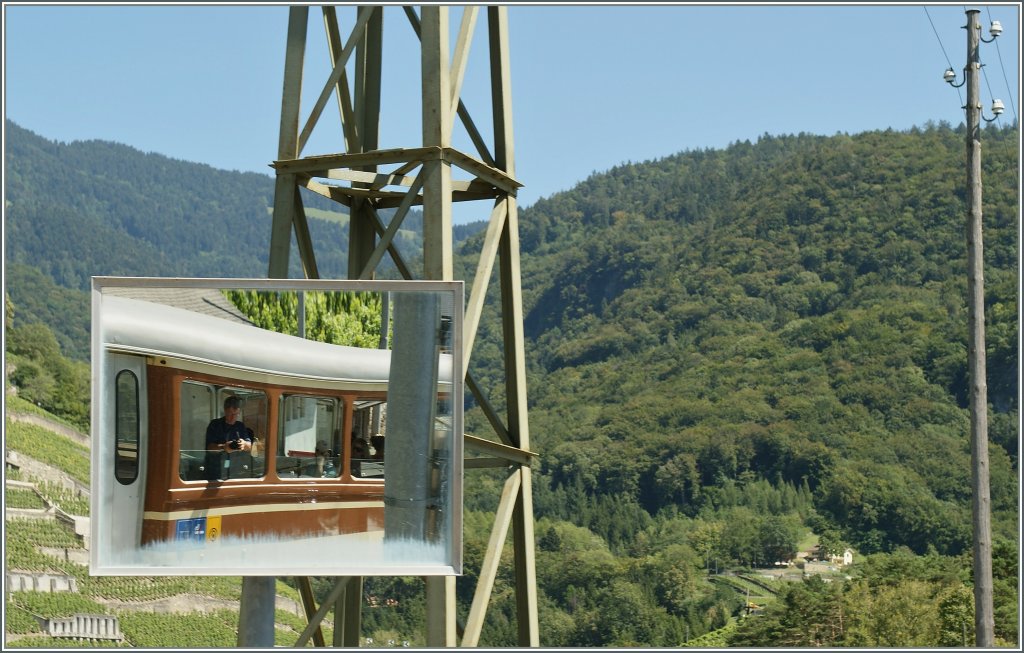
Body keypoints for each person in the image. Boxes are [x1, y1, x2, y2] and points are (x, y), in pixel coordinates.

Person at [205, 396, 253, 479]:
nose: (233, 418)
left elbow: (249, 446)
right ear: (225, 410)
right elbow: (209, 447)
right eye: (230, 414)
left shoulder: (240, 426)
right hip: (216, 468)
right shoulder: (215, 424)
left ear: (239, 412)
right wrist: (224, 447)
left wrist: (243, 444)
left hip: (235, 469)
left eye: (236, 414)